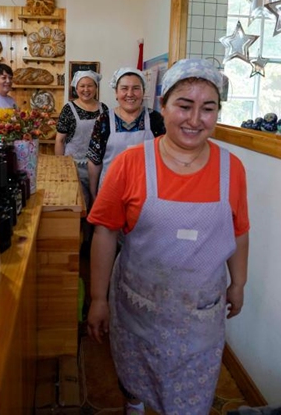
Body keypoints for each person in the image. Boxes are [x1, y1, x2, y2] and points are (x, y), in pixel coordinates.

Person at [86, 59, 250, 415]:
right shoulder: (130, 165)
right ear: (163, 107)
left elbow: (239, 231)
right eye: (184, 106)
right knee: (133, 374)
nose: (195, 120)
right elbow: (104, 232)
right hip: (138, 305)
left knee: (192, 391)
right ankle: (134, 404)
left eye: (208, 109)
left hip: (200, 312)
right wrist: (98, 298)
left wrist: (239, 282)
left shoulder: (231, 169)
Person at [86, 67, 165, 199]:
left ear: (143, 91)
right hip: (110, 191)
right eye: (124, 88)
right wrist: (94, 194)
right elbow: (95, 161)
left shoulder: (155, 119)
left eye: (136, 88)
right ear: (116, 93)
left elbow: (165, 159)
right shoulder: (104, 120)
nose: (130, 94)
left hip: (146, 193)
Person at [55, 70, 107, 211]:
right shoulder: (68, 109)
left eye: (90, 86)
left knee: (97, 206)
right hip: (74, 166)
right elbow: (60, 140)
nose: (86, 90)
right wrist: (61, 168)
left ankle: (93, 233)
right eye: (82, 86)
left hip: (98, 167)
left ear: (96, 88)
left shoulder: (104, 109)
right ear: (76, 88)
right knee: (78, 206)